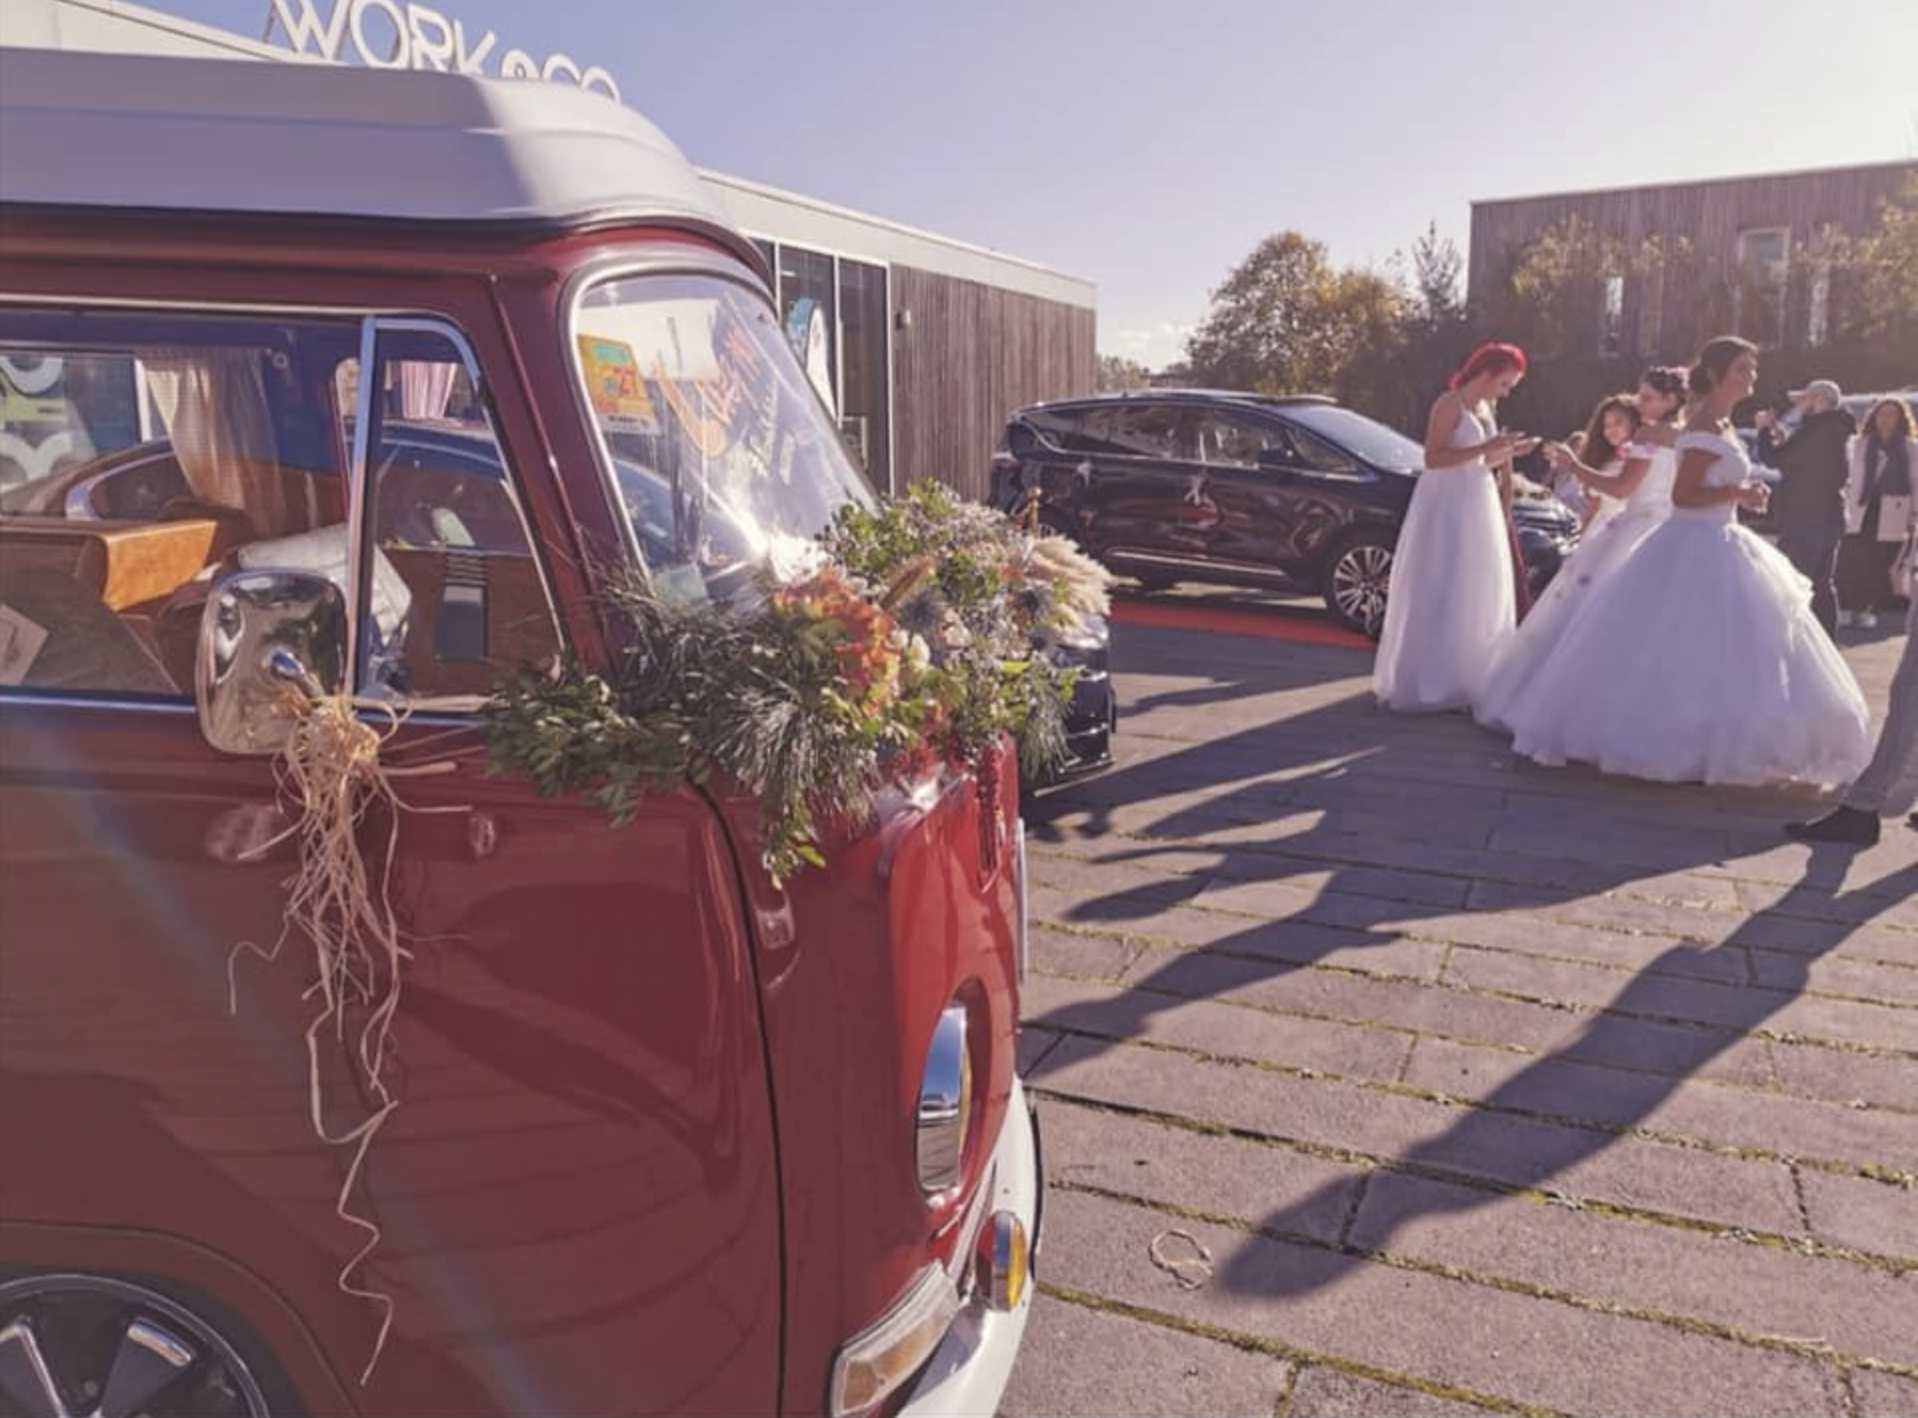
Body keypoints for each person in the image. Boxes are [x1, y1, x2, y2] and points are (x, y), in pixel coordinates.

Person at [1504, 337, 1870, 788]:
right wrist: (1739, 493)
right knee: (1683, 641)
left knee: (1726, 648)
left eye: (1752, 367)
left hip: (1721, 536)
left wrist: (1742, 495)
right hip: (1696, 539)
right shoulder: (1702, 426)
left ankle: (1718, 734)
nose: (1752, 375)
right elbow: (1684, 496)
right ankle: (1674, 739)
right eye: (1743, 367)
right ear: (1716, 374)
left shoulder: (1719, 422)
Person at [1477, 375, 1684, 733]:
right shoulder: (1687, 438)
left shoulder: (1648, 436)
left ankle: (1566, 704)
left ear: (1671, 399)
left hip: (1634, 528)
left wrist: (1575, 467)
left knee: (1591, 616)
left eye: (1648, 397)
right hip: (1668, 533)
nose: (1639, 402)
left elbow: (1621, 490)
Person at [1373, 342, 1536, 712]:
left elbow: (1487, 458)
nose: (1505, 391)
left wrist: (1507, 450)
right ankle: (1431, 680)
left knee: (1472, 582)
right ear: (1489, 373)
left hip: (1477, 500)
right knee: (1440, 579)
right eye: (1506, 383)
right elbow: (1432, 458)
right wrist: (1484, 449)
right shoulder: (1449, 404)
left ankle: (1468, 676)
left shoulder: (1484, 408)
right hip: (1445, 501)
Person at [1759, 377, 1856, 635]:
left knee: (1797, 580)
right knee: (1822, 583)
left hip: (1806, 516)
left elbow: (1775, 459)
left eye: (1804, 400)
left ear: (1819, 401)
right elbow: (1801, 461)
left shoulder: (1818, 430)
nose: (1799, 406)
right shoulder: (1835, 429)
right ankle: (1825, 640)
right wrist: (1782, 438)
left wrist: (1763, 430)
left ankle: (1803, 639)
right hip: (1828, 514)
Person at [1836, 397, 1916, 629]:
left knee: (1879, 562)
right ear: (1873, 416)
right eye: (1882, 413)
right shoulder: (1859, 443)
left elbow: (1915, 482)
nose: (1886, 419)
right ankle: (1848, 606)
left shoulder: (1910, 448)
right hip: (1861, 507)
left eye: (1892, 414)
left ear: (1901, 418)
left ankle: (1868, 609)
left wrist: (1914, 516)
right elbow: (1846, 474)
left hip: (1893, 511)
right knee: (1851, 558)